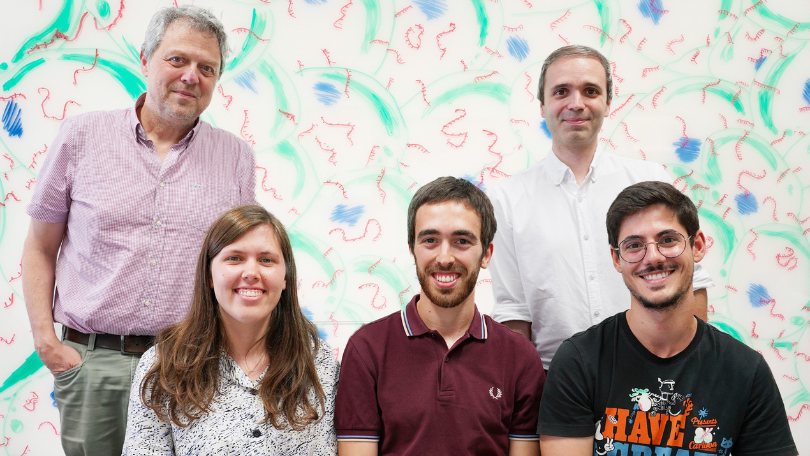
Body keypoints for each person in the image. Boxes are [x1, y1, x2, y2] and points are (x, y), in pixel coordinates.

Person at [21, 6, 256, 455]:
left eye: (207, 68)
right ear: (146, 59)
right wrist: (46, 342)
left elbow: (239, 264)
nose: (191, 76)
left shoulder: (236, 157)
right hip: (94, 365)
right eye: (177, 59)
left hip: (191, 366)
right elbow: (39, 247)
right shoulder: (81, 136)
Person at [489, 45, 712, 370]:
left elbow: (693, 279)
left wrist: (692, 371)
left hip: (654, 375)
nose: (576, 103)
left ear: (607, 103)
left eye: (590, 91)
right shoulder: (507, 199)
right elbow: (514, 311)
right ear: (543, 105)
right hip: (555, 380)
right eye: (561, 91)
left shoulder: (650, 178)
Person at [537, 181, 797, 456]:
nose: (653, 257)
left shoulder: (746, 370)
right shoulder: (578, 361)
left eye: (668, 240)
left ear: (697, 245)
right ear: (616, 258)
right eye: (634, 245)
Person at [335, 177, 545, 456]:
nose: (444, 258)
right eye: (430, 240)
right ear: (412, 249)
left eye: (462, 241)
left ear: (486, 254)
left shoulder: (520, 357)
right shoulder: (367, 349)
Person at [122, 205, 338, 455]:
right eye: (234, 258)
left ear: (285, 277)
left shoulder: (320, 363)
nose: (251, 273)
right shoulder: (163, 365)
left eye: (266, 260)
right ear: (209, 275)